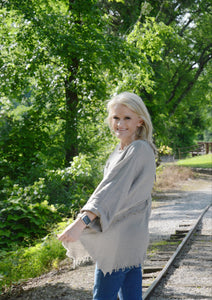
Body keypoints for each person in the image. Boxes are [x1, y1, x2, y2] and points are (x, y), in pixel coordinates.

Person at [58, 91, 156, 300]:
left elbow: (111, 189)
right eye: (116, 118)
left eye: (127, 118)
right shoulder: (122, 150)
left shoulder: (138, 149)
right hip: (131, 238)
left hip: (119, 242)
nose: (120, 123)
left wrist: (81, 221)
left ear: (140, 121)